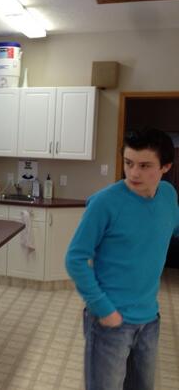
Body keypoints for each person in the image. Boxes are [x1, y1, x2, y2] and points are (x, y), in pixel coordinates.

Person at [65, 127, 179, 390]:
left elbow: (169, 228)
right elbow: (76, 258)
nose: (134, 173)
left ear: (165, 167)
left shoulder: (169, 196)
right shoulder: (105, 203)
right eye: (129, 163)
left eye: (144, 165)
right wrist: (103, 308)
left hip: (150, 318)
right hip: (110, 321)